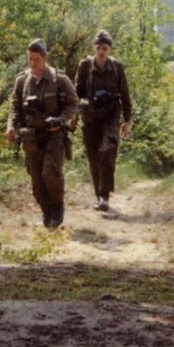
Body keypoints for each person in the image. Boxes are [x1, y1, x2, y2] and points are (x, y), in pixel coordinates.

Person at [6, 39, 78, 229]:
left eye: (36, 59)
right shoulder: (22, 81)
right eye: (29, 59)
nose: (32, 63)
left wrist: (61, 120)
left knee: (50, 173)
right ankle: (47, 211)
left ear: (45, 58)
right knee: (37, 182)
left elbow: (73, 103)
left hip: (54, 136)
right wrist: (10, 125)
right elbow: (14, 106)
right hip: (31, 137)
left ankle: (58, 207)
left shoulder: (59, 79)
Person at [75, 30, 132, 212]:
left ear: (110, 49)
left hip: (111, 115)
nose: (101, 51)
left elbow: (125, 95)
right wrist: (75, 116)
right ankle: (99, 195)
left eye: (105, 48)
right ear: (94, 47)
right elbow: (77, 92)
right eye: (98, 47)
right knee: (93, 156)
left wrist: (127, 121)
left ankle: (105, 196)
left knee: (108, 149)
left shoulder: (117, 67)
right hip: (91, 116)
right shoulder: (85, 65)